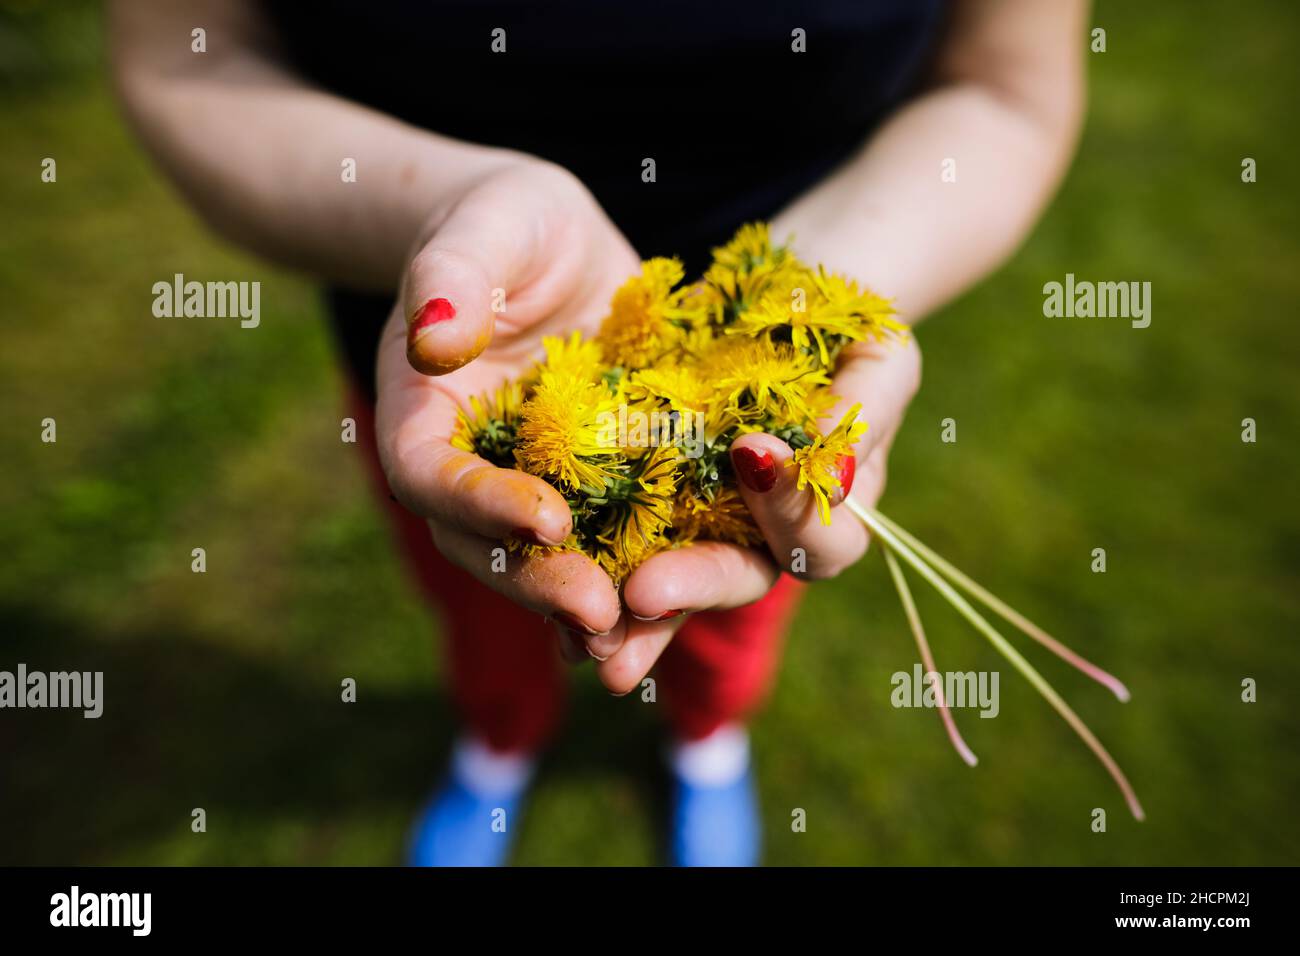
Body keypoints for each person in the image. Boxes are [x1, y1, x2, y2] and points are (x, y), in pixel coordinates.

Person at [109, 0, 1087, 866]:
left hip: (758, 327)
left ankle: (707, 739)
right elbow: (187, 55)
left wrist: (816, 297)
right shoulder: (494, 409)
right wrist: (442, 209)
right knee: (484, 583)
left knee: (729, 604)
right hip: (458, 371)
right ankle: (498, 737)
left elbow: (1003, 88)